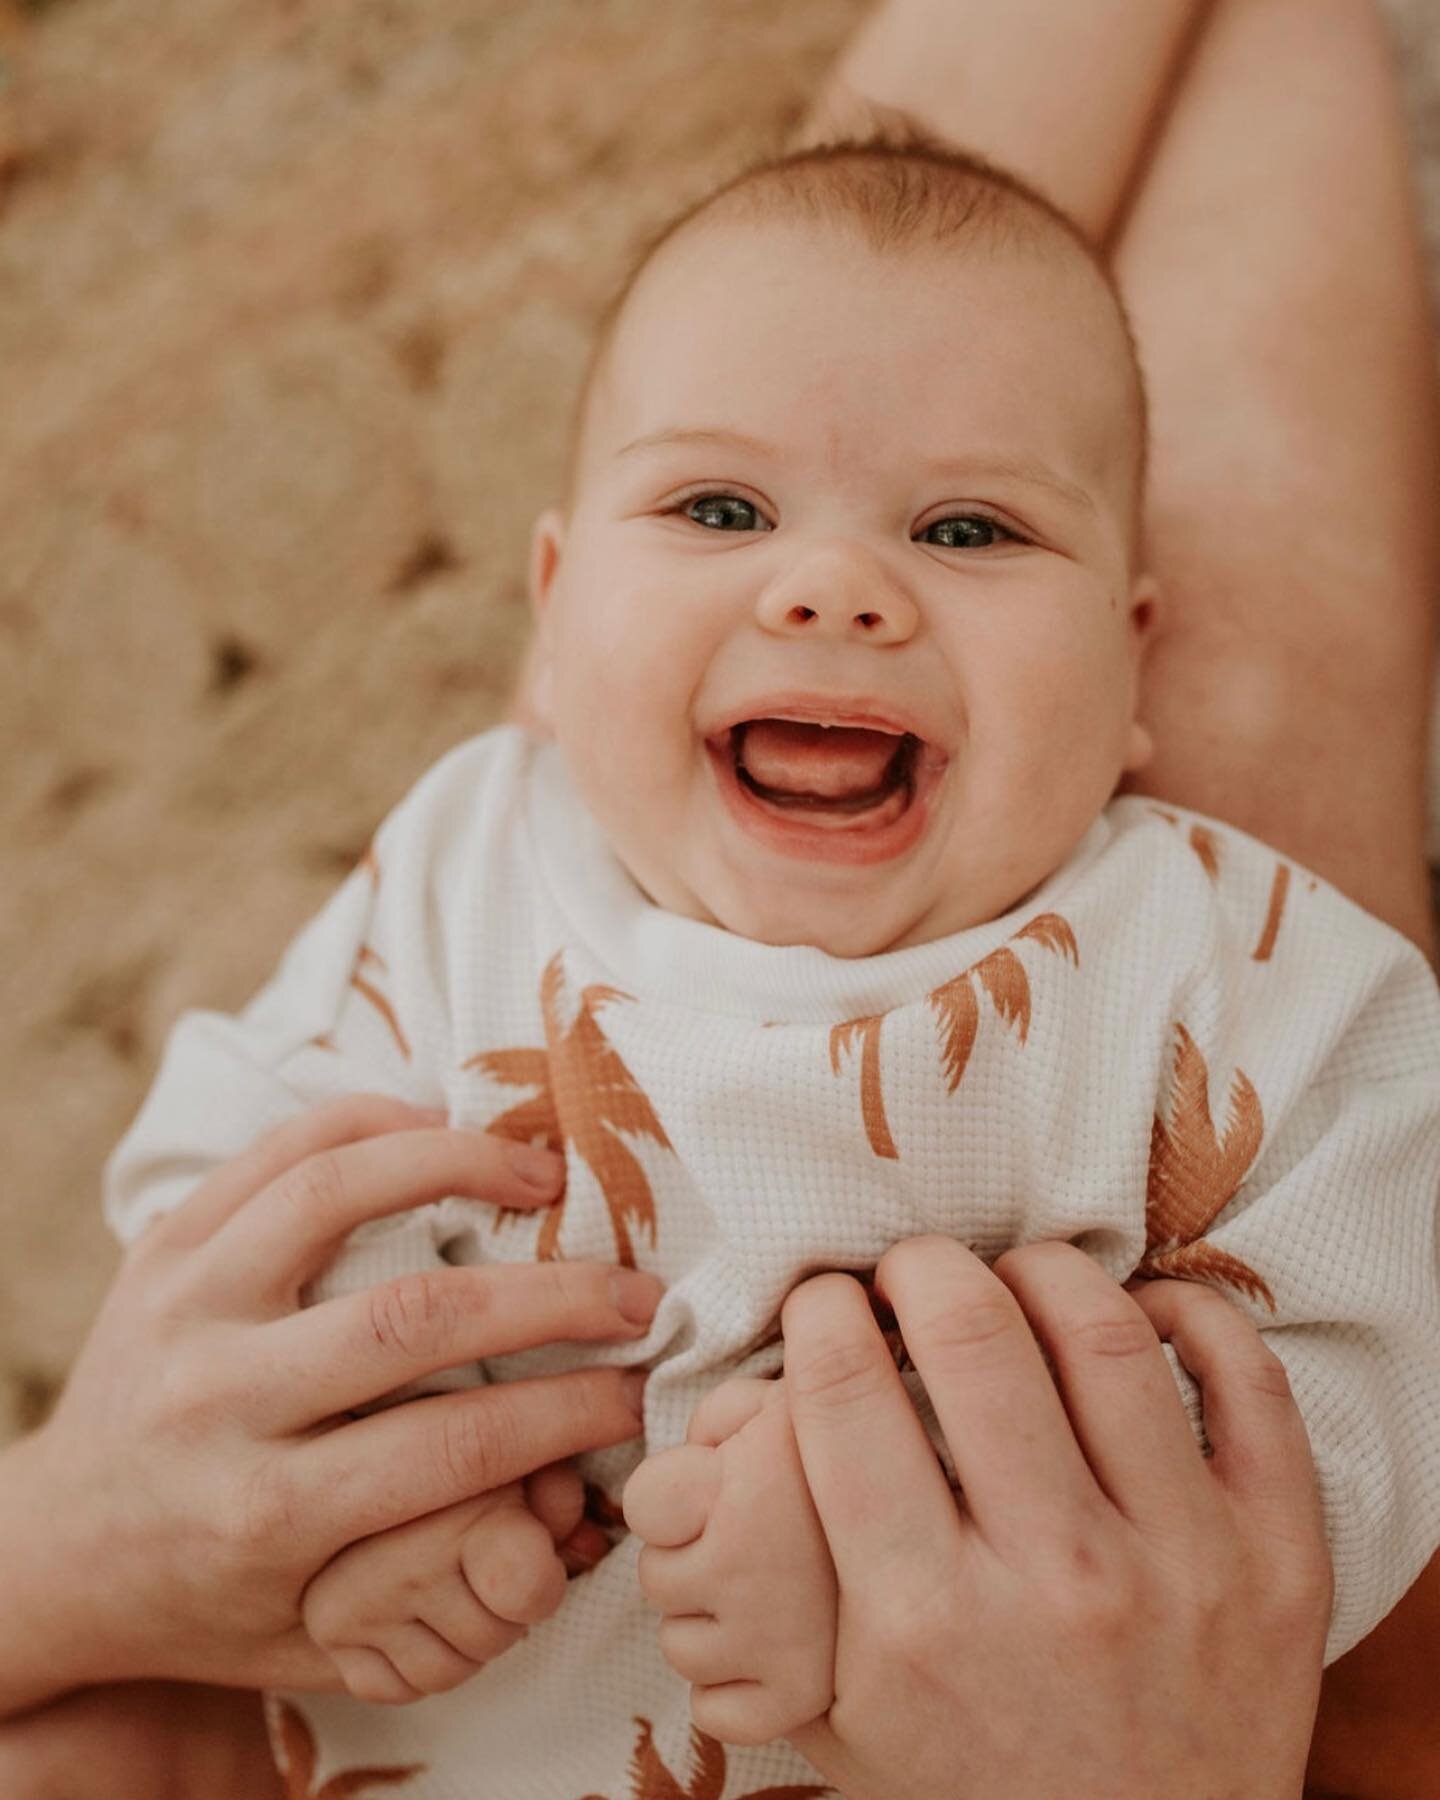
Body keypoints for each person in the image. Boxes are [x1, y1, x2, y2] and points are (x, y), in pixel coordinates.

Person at [2, 0, 1437, 1795]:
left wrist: (876, 1516)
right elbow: (245, 1167)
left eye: (971, 533)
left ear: (1132, 664)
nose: (836, 588)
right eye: (716, 510)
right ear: (550, 608)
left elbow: (1376, 1385)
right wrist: (387, 1466)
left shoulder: (1233, 960)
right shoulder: (481, 851)